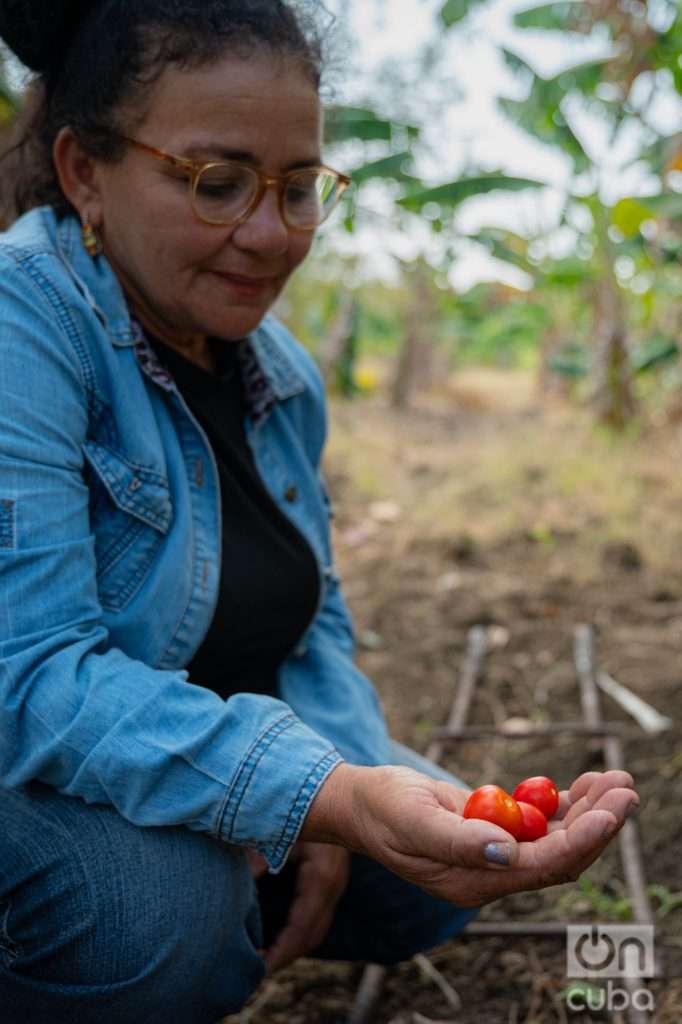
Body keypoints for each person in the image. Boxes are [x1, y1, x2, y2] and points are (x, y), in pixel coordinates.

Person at [0, 2, 639, 1021]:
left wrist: (330, 792)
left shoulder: (281, 378)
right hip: (24, 771)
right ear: (84, 173)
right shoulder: (20, 323)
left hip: (202, 756)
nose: (269, 234)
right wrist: (317, 794)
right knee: (165, 912)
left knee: (432, 869)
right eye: (215, 183)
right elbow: (27, 679)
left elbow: (315, 626)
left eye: (297, 189)